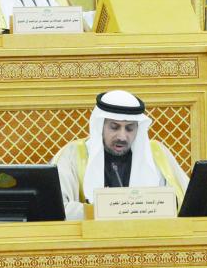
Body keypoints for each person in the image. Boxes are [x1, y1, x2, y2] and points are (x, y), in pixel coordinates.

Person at [51, 90, 189, 220]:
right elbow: (55, 209)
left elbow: (186, 203)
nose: (122, 137)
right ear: (100, 125)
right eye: (114, 127)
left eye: (129, 128)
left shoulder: (157, 154)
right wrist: (106, 210)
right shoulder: (73, 154)